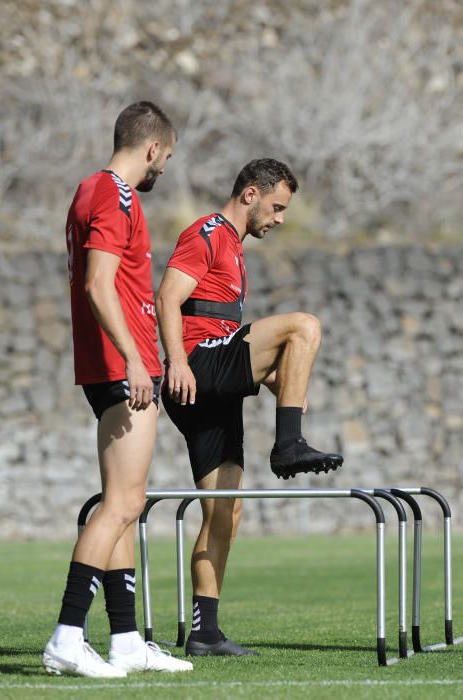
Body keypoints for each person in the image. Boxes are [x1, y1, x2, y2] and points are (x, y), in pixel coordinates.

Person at [156, 158, 344, 657]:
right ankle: (287, 445)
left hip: (213, 385)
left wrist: (287, 386)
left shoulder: (236, 251)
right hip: (196, 366)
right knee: (304, 325)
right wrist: (176, 361)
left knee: (226, 512)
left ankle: (205, 632)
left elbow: (241, 348)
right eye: (277, 206)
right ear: (249, 195)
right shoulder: (208, 232)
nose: (280, 218)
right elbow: (168, 297)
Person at [42, 101, 192, 677]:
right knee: (124, 504)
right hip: (121, 368)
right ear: (152, 148)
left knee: (121, 504)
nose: (163, 171)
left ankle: (126, 640)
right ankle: (67, 635)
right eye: (166, 158)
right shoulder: (115, 195)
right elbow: (97, 284)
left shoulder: (86, 189)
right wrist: (135, 359)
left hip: (106, 366)